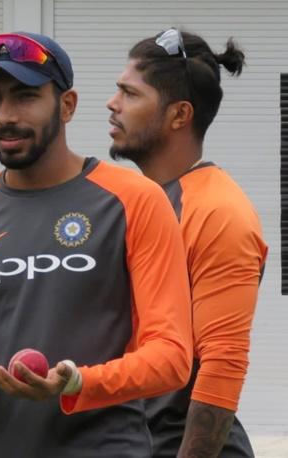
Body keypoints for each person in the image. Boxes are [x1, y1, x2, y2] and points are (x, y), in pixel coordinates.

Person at [0, 32, 194, 457]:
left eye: (25, 96)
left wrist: (80, 382)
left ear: (67, 105)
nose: (5, 116)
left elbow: (172, 356)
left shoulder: (135, 201)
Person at [107, 28, 268, 457]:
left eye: (130, 94)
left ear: (179, 115)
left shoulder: (219, 211)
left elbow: (222, 365)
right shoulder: (133, 202)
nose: (113, 103)